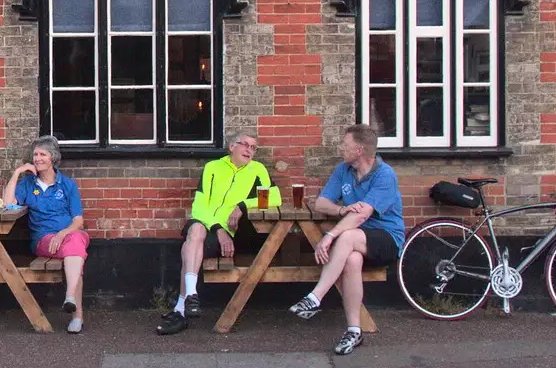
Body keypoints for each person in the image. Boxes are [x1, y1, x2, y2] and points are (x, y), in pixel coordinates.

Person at [289, 123, 405, 355]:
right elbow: (322, 203)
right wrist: (342, 210)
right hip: (356, 239)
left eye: (346, 144)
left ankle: (315, 296)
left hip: (387, 238)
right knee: (351, 260)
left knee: (348, 236)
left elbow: (362, 216)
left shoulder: (385, 175)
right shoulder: (344, 170)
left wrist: (329, 236)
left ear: (360, 150)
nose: (342, 148)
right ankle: (354, 330)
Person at [157, 132, 270, 335]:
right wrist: (218, 228)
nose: (249, 150)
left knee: (188, 247)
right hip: (207, 224)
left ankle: (182, 307)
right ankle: (190, 295)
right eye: (245, 145)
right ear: (231, 147)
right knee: (196, 229)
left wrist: (242, 205)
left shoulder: (258, 170)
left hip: (230, 233)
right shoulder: (213, 168)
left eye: (253, 147)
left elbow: (273, 197)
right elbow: (200, 205)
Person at [0, 135, 89, 334]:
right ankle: (75, 310)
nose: (38, 158)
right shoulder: (28, 184)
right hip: (43, 239)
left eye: (43, 155)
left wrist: (62, 234)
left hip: (68, 235)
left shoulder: (67, 185)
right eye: (35, 155)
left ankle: (70, 299)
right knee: (76, 251)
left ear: (53, 158)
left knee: (75, 243)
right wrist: (17, 173)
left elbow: (78, 221)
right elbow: (7, 205)